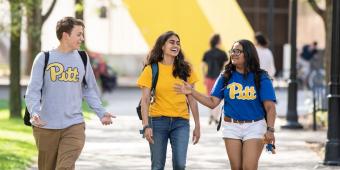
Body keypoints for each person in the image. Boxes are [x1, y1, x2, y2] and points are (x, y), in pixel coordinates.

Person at [25, 17, 116, 170]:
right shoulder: (44, 58)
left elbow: (89, 89)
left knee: (65, 167)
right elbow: (33, 90)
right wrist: (33, 112)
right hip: (46, 126)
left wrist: (101, 112)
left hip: (74, 125)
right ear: (66, 35)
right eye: (79, 34)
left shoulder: (82, 58)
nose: (82, 38)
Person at [174, 39, 277, 170]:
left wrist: (270, 130)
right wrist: (191, 91)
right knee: (236, 167)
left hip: (255, 126)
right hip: (231, 127)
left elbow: (270, 107)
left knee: (249, 167)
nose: (233, 54)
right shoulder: (226, 76)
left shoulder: (261, 77)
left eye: (237, 51)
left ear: (248, 54)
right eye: (232, 51)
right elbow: (212, 103)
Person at [137, 31, 200, 170]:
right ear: (162, 46)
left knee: (179, 164)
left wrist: (197, 125)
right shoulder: (151, 70)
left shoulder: (186, 69)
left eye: (178, 43)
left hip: (181, 122)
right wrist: (146, 125)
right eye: (171, 42)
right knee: (157, 166)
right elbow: (145, 100)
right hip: (158, 122)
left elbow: (192, 99)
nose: (175, 45)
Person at [202, 34, 228, 125]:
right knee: (218, 98)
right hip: (219, 78)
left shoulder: (207, 53)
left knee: (209, 98)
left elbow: (203, 66)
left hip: (209, 77)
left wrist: (204, 76)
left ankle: (211, 116)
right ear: (218, 41)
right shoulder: (223, 53)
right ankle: (215, 116)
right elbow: (226, 66)